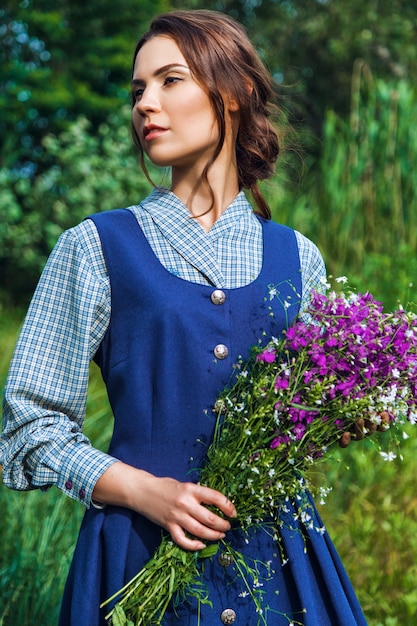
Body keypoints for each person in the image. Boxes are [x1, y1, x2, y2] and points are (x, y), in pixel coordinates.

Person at [0, 10, 368, 626]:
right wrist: (145, 491)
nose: (146, 103)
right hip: (135, 566)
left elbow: (299, 421)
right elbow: (26, 427)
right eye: (137, 89)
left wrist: (339, 418)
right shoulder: (95, 246)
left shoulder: (299, 258)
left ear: (235, 93)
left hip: (277, 570)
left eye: (170, 80)